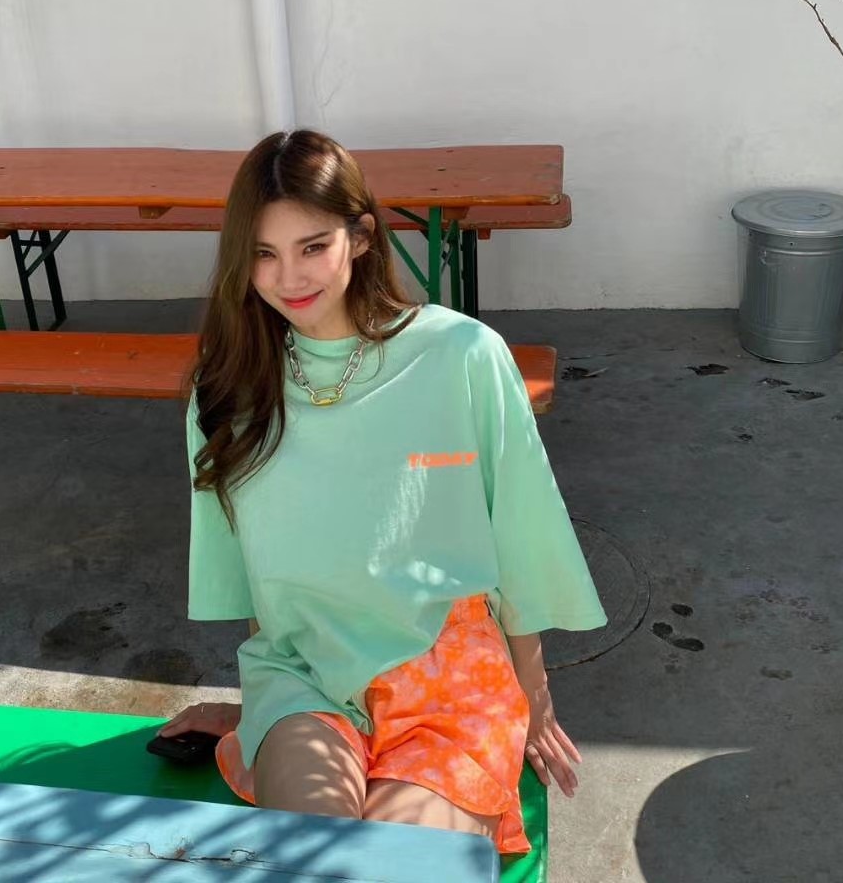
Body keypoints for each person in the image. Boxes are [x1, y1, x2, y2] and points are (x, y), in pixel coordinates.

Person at [161, 129, 605, 855]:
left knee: (393, 866)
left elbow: (520, 529)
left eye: (312, 246)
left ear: (362, 237)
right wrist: (263, 719)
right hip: (306, 674)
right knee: (312, 860)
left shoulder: (461, 354)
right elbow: (258, 583)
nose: (288, 278)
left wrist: (534, 696)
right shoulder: (229, 387)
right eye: (263, 254)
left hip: (448, 675)